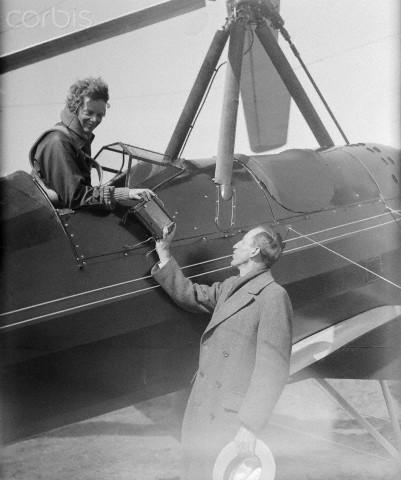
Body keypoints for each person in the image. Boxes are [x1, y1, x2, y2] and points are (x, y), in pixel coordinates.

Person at [152, 224, 293, 480]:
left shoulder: (273, 296)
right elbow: (191, 295)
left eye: (242, 241)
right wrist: (164, 253)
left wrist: (250, 426)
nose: (235, 245)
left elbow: (273, 369)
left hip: (230, 421)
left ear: (254, 251)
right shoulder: (230, 286)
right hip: (202, 409)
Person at [30, 77, 154, 209]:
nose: (94, 119)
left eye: (100, 115)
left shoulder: (76, 139)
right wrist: (124, 193)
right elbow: (75, 197)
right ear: (75, 108)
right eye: (88, 113)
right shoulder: (58, 141)